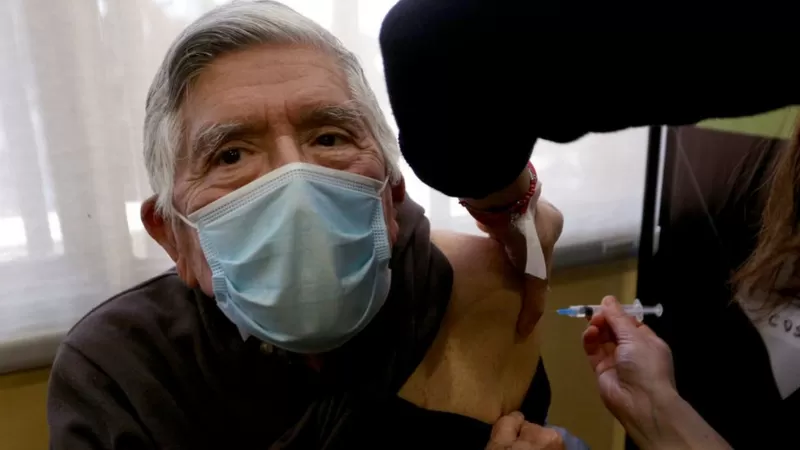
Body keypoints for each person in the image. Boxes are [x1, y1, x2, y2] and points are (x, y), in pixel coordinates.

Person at [46, 2, 573, 449]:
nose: (295, 183)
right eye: (231, 155)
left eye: (329, 138)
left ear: (391, 195)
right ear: (172, 235)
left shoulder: (476, 291)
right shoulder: (121, 371)